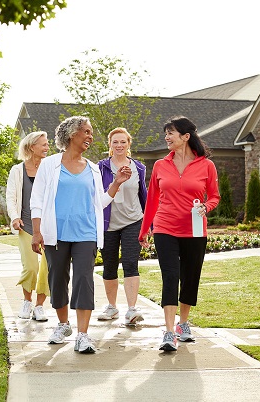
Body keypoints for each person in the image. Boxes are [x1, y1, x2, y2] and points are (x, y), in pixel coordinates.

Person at [30, 116, 131, 354]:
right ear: (72, 134)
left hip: (86, 233)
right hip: (56, 234)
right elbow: (37, 200)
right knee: (57, 280)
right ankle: (63, 325)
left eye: (91, 132)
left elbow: (100, 202)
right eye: (86, 132)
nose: (90, 136)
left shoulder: (93, 169)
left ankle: (83, 335)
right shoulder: (49, 165)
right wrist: (36, 232)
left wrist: (116, 183)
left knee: (84, 280)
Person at [138, 115, 220, 352]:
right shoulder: (161, 166)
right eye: (166, 133)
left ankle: (183, 323)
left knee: (190, 276)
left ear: (185, 137)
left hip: (194, 229)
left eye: (171, 133)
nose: (167, 137)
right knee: (171, 276)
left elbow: (214, 196)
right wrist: (145, 230)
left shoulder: (206, 165)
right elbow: (152, 199)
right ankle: (168, 331)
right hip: (165, 227)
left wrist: (207, 206)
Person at [96, 127, 148, 326]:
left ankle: (132, 309)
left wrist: (147, 224)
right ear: (109, 145)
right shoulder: (100, 168)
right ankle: (111, 307)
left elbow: (143, 195)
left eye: (123, 142)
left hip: (133, 221)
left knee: (130, 263)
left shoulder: (139, 168)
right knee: (109, 266)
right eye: (115, 142)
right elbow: (98, 196)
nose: (119, 145)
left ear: (129, 144)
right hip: (108, 223)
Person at [6, 131, 51, 321]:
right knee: (31, 267)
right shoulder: (17, 171)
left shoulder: (50, 169)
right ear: (32, 147)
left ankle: (40, 306)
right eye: (43, 144)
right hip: (25, 225)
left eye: (48, 144)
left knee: (48, 268)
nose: (47, 147)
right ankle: (27, 301)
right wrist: (15, 217)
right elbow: (11, 196)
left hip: (49, 226)